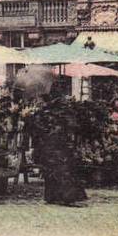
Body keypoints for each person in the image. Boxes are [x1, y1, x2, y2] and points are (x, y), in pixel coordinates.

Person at [17, 65, 86, 207]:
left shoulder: (57, 107)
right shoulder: (52, 107)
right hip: (52, 143)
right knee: (53, 169)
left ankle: (64, 195)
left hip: (56, 142)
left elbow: (55, 124)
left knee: (59, 169)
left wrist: (32, 118)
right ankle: (54, 195)